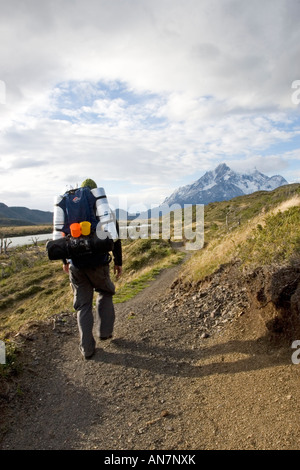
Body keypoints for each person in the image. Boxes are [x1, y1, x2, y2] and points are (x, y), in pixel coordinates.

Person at [62, 179, 122, 360]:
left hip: (77, 266)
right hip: (99, 263)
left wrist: (65, 261)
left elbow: (62, 236)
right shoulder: (104, 210)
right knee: (105, 292)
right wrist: (118, 262)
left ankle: (87, 348)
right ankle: (105, 333)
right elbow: (115, 239)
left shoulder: (68, 212)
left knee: (83, 305)